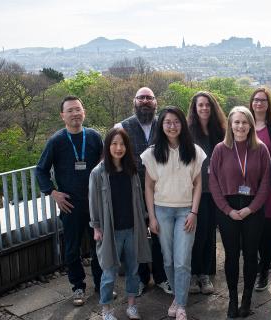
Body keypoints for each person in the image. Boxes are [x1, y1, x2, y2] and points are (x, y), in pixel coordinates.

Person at [36, 96, 103, 306]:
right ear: (62, 115)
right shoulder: (56, 141)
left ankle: (102, 285)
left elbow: (104, 163)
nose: (75, 113)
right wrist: (53, 193)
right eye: (70, 110)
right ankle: (78, 287)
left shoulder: (93, 136)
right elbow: (41, 171)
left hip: (95, 203)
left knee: (98, 246)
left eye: (78, 109)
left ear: (84, 112)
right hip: (70, 205)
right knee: (72, 249)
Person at [142, 107, 206, 320]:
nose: (172, 126)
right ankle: (178, 297)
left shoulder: (194, 151)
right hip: (162, 211)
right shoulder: (152, 153)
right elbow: (149, 187)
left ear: (182, 124)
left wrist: (194, 212)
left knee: (182, 261)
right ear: (161, 125)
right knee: (168, 260)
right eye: (167, 122)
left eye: (176, 121)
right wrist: (151, 217)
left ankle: (181, 306)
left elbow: (198, 184)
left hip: (186, 211)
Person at [209, 106, 271, 318]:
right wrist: (227, 210)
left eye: (245, 122)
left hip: (252, 208)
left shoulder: (261, 149)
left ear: (251, 125)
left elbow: (265, 183)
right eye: (236, 122)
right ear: (230, 125)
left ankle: (247, 299)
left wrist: (250, 209)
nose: (240, 126)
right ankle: (233, 300)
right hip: (227, 209)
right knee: (232, 255)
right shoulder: (220, 149)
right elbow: (213, 182)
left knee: (251, 255)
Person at [89, 128, 152, 320]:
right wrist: (96, 227)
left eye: (122, 144)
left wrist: (144, 221)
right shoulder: (98, 172)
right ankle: (106, 309)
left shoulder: (131, 170)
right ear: (108, 146)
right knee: (109, 273)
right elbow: (93, 201)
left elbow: (139, 200)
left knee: (133, 270)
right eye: (114, 144)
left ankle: (131, 306)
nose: (118, 148)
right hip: (110, 231)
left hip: (132, 229)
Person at [116, 87, 171, 296]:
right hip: (132, 191)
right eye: (141, 98)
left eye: (149, 97)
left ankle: (161, 277)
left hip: (162, 191)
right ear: (134, 101)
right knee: (136, 237)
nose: (145, 101)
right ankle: (140, 278)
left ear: (156, 102)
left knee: (160, 235)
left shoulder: (166, 124)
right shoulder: (122, 127)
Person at [187, 91, 226, 295]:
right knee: (197, 233)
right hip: (196, 191)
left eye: (207, 105)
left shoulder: (220, 131)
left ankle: (206, 273)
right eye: (200, 105)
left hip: (216, 190)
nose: (204, 108)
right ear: (194, 108)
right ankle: (195, 273)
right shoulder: (188, 132)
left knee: (210, 232)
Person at [246, 87, 271, 292]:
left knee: (268, 229)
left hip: (269, 186)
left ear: (268, 104)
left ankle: (265, 268)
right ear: (251, 102)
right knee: (251, 227)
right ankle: (254, 263)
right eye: (255, 100)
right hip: (247, 186)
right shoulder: (244, 123)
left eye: (263, 100)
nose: (259, 103)